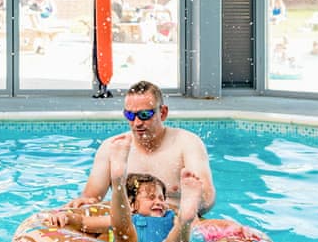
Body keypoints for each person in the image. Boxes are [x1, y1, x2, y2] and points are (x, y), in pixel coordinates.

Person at [69, 80, 216, 216]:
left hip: (174, 223)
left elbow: (207, 198)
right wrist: (80, 205)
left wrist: (164, 208)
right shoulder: (112, 147)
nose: (137, 123)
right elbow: (91, 198)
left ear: (163, 113)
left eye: (145, 115)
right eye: (130, 115)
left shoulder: (186, 143)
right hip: (127, 227)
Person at [45, 137, 202, 242]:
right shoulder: (127, 219)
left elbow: (198, 235)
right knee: (124, 232)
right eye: (151, 198)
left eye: (161, 198)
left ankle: (185, 218)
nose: (159, 202)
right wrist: (65, 217)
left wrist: (191, 221)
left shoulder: (170, 217)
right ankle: (118, 181)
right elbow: (84, 222)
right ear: (132, 205)